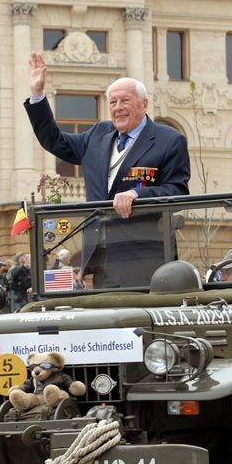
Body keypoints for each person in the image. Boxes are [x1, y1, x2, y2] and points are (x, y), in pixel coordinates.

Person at [24, 52, 191, 287]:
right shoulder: (97, 134)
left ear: (144, 104)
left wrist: (137, 194)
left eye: (125, 100)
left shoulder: (169, 140)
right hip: (101, 257)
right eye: (113, 102)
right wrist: (38, 95)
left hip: (145, 256)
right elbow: (54, 141)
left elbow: (178, 192)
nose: (118, 108)